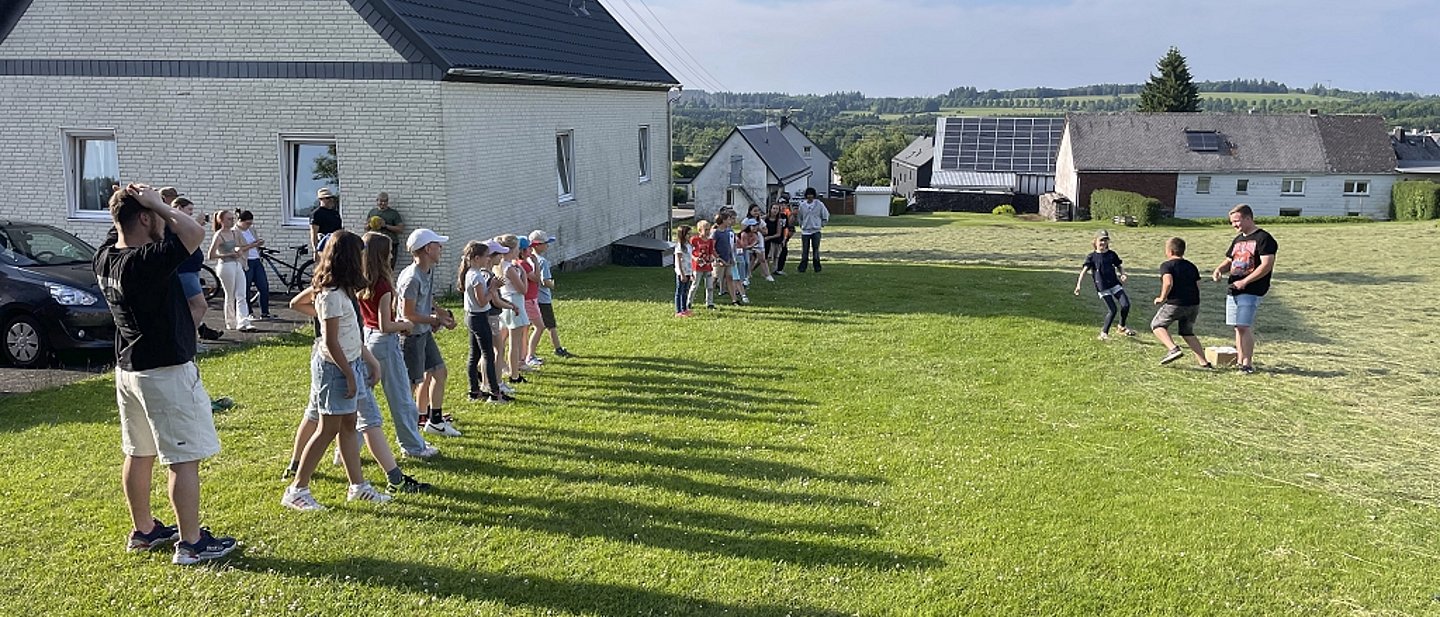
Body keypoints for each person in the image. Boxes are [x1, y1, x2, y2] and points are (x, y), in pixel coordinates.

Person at [93, 183, 237, 564]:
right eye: (156, 215)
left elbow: (120, 224)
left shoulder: (106, 256)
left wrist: (139, 200)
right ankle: (191, 543)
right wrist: (157, 203)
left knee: (139, 453)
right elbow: (193, 233)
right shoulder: (146, 261)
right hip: (165, 372)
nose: (165, 221)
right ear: (143, 217)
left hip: (130, 372)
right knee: (181, 459)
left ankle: (144, 530)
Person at [280, 230, 396, 511]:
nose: (363, 260)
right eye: (360, 254)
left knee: (348, 425)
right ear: (349, 258)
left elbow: (350, 332)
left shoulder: (345, 289)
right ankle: (297, 489)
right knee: (327, 429)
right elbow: (331, 341)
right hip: (334, 368)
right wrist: (348, 374)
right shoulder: (330, 294)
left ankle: (358, 486)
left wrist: (369, 360)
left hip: (350, 362)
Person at [358, 232, 439, 459]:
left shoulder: (361, 279)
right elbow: (385, 324)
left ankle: (344, 450)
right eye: (390, 251)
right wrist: (405, 324)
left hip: (367, 339)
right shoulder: (383, 285)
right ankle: (413, 446)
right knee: (402, 399)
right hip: (384, 343)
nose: (393, 254)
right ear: (382, 255)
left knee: (362, 399)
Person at [399, 228, 458, 437]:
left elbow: (427, 299)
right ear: (426, 249)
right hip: (412, 338)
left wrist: (439, 311)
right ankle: (408, 432)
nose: (441, 248)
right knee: (412, 385)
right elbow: (409, 313)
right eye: (437, 245)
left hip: (424, 333)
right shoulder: (411, 279)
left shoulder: (428, 271)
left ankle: (434, 422)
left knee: (439, 372)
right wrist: (435, 319)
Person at [1211, 204, 1278, 374]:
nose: (1234, 225)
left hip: (1252, 290)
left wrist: (1246, 281)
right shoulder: (1238, 239)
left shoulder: (1263, 238)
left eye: (1237, 221)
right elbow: (1229, 260)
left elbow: (1266, 265)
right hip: (1234, 288)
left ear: (1248, 218)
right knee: (1237, 327)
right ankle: (1239, 360)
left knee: (1243, 326)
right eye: (1232, 222)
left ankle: (1247, 364)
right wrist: (1219, 270)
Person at [458, 240, 511, 403]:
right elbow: (483, 301)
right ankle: (495, 393)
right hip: (479, 318)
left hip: (471, 317)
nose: (488, 259)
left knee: (474, 354)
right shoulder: (476, 276)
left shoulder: (470, 273)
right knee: (488, 354)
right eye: (485, 256)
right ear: (476, 258)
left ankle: (474, 390)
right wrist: (493, 288)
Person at [1151, 237, 1211, 368]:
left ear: (1170, 251)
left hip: (1175, 303)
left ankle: (1173, 349)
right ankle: (1204, 362)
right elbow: (1198, 284)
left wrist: (1161, 298)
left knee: (1157, 325)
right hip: (1193, 304)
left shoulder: (1166, 265)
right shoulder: (1191, 266)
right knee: (1187, 332)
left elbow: (1168, 282)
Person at [169, 197, 223, 342]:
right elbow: (183, 241)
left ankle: (187, 337)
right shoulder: (175, 223)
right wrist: (196, 223)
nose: (192, 213)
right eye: (189, 210)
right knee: (200, 305)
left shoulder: (184, 223)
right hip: (184, 271)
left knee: (188, 308)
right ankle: (187, 339)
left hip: (192, 270)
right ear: (179, 208)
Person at [1074, 231, 1135, 340]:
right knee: (1113, 310)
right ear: (1095, 241)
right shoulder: (1091, 257)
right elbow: (1083, 271)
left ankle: (1121, 326)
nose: (1103, 242)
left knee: (1126, 305)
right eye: (1101, 240)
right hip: (1102, 287)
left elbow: (1119, 266)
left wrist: (1123, 274)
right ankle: (1103, 333)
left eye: (1105, 240)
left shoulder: (1112, 254)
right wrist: (1078, 285)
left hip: (1115, 284)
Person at [207, 210, 259, 333]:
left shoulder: (235, 233)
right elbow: (211, 255)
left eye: (232, 218)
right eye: (229, 219)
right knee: (230, 295)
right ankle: (230, 321)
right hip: (225, 265)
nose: (232, 221)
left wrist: (240, 251)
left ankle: (244, 321)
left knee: (241, 294)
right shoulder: (219, 235)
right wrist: (230, 254)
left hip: (237, 264)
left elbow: (242, 246)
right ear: (221, 220)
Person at [527, 230, 574, 359]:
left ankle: (525, 350)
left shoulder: (527, 259)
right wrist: (552, 284)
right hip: (543, 298)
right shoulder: (542, 261)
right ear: (537, 245)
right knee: (550, 325)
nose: (547, 245)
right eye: (545, 243)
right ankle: (557, 349)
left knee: (529, 326)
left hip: (531, 298)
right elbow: (545, 281)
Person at [497, 235, 532, 383]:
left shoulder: (499, 265)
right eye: (517, 248)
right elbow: (523, 289)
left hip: (505, 302)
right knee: (514, 343)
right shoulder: (510, 268)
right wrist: (523, 274)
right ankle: (514, 375)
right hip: (514, 301)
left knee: (501, 340)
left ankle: (501, 366)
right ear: (511, 250)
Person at [235, 211, 273, 319]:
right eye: (247, 223)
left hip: (256, 260)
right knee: (245, 288)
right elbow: (237, 249)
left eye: (250, 223)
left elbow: (255, 242)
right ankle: (249, 313)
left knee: (264, 286)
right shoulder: (235, 232)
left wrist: (258, 243)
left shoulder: (251, 230)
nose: (249, 226)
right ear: (240, 221)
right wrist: (252, 245)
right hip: (246, 261)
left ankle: (265, 312)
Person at [518, 238, 544, 368]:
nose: (531, 250)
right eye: (529, 248)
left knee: (525, 329)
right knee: (539, 326)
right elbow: (536, 278)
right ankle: (530, 355)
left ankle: (524, 356)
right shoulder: (524, 264)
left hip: (528, 299)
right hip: (529, 300)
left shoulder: (519, 263)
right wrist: (536, 263)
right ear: (523, 251)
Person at [795, 188, 829, 273]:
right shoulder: (802, 205)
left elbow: (825, 214)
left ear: (814, 195)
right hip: (805, 231)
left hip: (816, 230)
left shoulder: (819, 204)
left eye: (811, 194)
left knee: (816, 250)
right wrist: (801, 225)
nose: (810, 196)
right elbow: (800, 217)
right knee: (805, 250)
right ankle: (802, 267)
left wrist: (822, 224)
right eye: (808, 194)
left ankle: (817, 267)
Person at [366, 192, 404, 267]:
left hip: (390, 244)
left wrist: (385, 225)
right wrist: (371, 224)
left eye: (385, 201)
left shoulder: (393, 213)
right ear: (377, 201)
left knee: (389, 267)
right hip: (375, 244)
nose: (383, 203)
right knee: (375, 267)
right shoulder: (372, 212)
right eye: (381, 201)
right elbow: (366, 228)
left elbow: (400, 229)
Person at [712, 210, 742, 305]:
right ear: (723, 220)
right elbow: (712, 247)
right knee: (715, 278)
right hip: (719, 261)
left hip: (728, 259)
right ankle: (709, 298)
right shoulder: (716, 233)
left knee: (729, 278)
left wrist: (731, 258)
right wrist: (718, 258)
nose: (730, 221)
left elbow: (729, 246)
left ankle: (734, 300)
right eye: (729, 219)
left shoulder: (727, 232)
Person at [689, 220, 717, 310]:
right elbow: (690, 252)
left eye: (709, 229)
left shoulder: (710, 241)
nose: (708, 232)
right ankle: (689, 302)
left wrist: (712, 257)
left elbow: (711, 252)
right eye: (706, 230)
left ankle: (709, 303)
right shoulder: (695, 240)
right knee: (695, 285)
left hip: (707, 266)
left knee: (709, 286)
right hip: (697, 266)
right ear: (700, 230)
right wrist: (695, 258)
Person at [309, 187, 342, 253]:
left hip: (336, 245)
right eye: (327, 198)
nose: (330, 200)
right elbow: (314, 234)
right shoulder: (316, 214)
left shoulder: (335, 213)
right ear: (321, 199)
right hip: (323, 246)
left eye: (331, 197)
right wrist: (315, 250)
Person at [673, 225, 694, 317]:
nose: (690, 236)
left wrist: (692, 272)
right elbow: (678, 261)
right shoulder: (679, 246)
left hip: (688, 271)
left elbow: (690, 259)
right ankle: (678, 311)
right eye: (688, 234)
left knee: (685, 291)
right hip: (682, 272)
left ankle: (684, 309)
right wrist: (682, 274)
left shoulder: (688, 245)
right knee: (679, 291)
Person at [763, 203, 786, 276]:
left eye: (777, 209)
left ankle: (774, 270)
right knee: (768, 257)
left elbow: (779, 233)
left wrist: (769, 237)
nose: (775, 210)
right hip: (768, 241)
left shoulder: (779, 220)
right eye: (774, 208)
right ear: (770, 209)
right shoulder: (765, 218)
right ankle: (766, 271)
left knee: (776, 256)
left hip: (776, 240)